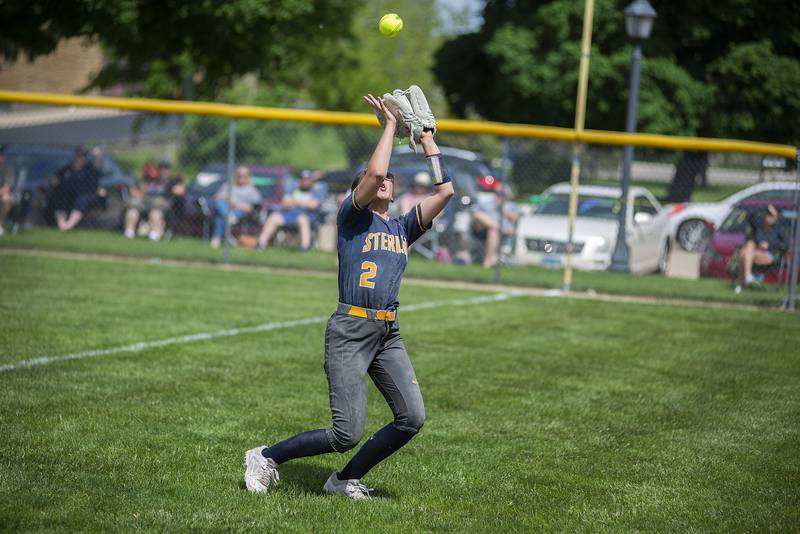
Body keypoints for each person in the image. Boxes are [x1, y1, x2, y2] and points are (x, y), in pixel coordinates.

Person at [243, 92, 454, 500]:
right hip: (350, 329)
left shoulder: (402, 228)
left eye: (390, 179)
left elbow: (444, 193)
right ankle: (266, 456)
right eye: (376, 179)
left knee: (412, 417)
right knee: (346, 433)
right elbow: (374, 176)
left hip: (387, 333)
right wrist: (390, 125)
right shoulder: (352, 218)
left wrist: (428, 142)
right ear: (360, 190)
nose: (385, 180)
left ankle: (343, 480)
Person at [256, 169, 324, 252]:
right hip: (288, 214)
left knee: (302, 219)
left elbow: (314, 205)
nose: (305, 182)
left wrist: (295, 201)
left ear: (311, 181)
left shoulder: (315, 191)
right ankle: (261, 244)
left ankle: (305, 247)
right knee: (274, 217)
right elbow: (284, 203)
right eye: (303, 179)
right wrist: (304, 202)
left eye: (307, 180)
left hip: (305, 215)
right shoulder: (293, 189)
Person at [124, 160, 185, 241]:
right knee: (133, 208)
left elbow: (180, 191)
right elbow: (136, 190)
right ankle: (129, 233)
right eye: (161, 168)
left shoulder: (174, 180)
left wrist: (171, 189)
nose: (163, 171)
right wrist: (140, 191)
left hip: (162, 202)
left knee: (156, 211)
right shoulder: (150, 178)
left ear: (170, 170)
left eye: (166, 168)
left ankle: (154, 235)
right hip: (145, 201)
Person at [734, 203, 787, 293]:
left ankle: (743, 284)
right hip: (754, 253)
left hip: (770, 255)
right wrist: (762, 207)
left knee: (744, 253)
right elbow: (750, 216)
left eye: (771, 215)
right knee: (749, 244)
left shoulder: (780, 228)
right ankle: (747, 277)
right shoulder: (759, 226)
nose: (768, 216)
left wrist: (769, 245)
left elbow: (785, 245)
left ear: (777, 216)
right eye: (767, 213)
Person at [50, 146, 101, 232]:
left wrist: (99, 155)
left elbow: (98, 165)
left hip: (83, 196)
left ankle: (67, 226)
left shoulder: (90, 169)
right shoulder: (66, 169)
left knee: (81, 201)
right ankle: (62, 224)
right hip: (66, 195)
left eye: (83, 156)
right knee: (60, 198)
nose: (80, 158)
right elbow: (54, 181)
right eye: (79, 155)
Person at [210, 166, 262, 248]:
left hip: (240, 211)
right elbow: (215, 198)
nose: (241, 178)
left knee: (220, 217)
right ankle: (228, 217)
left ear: (248, 177)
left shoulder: (252, 191)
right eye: (239, 175)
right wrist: (225, 196)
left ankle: (217, 238)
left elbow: (252, 208)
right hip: (226, 209)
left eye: (244, 176)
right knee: (219, 203)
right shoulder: (227, 186)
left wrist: (235, 204)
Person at [471, 183, 520, 267]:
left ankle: (487, 262)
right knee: (481, 217)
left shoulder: (511, 206)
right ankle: (495, 226)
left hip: (503, 232)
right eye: (497, 193)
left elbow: (515, 219)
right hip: (482, 229)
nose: (499, 196)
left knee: (493, 231)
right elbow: (475, 214)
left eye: (502, 194)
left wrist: (503, 208)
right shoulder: (487, 203)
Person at [0, 145, 16, 236]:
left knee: (7, 199)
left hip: (2, 194)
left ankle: (0, 225)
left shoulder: (7, 170)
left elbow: (7, 187)